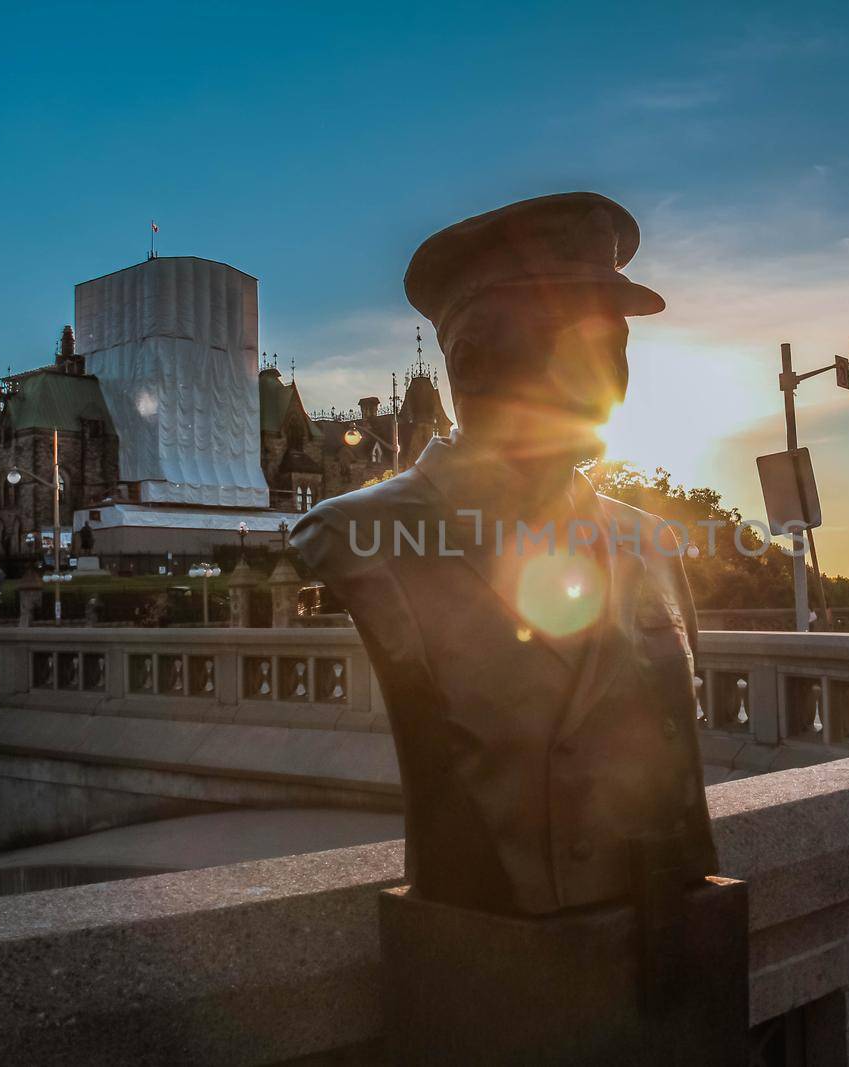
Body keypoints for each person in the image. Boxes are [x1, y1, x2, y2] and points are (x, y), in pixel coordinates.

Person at [292, 192, 716, 917]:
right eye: (577, 348)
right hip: (499, 957)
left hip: (672, 948)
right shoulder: (359, 535)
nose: (611, 383)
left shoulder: (650, 541)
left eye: (617, 350)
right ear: (476, 362)